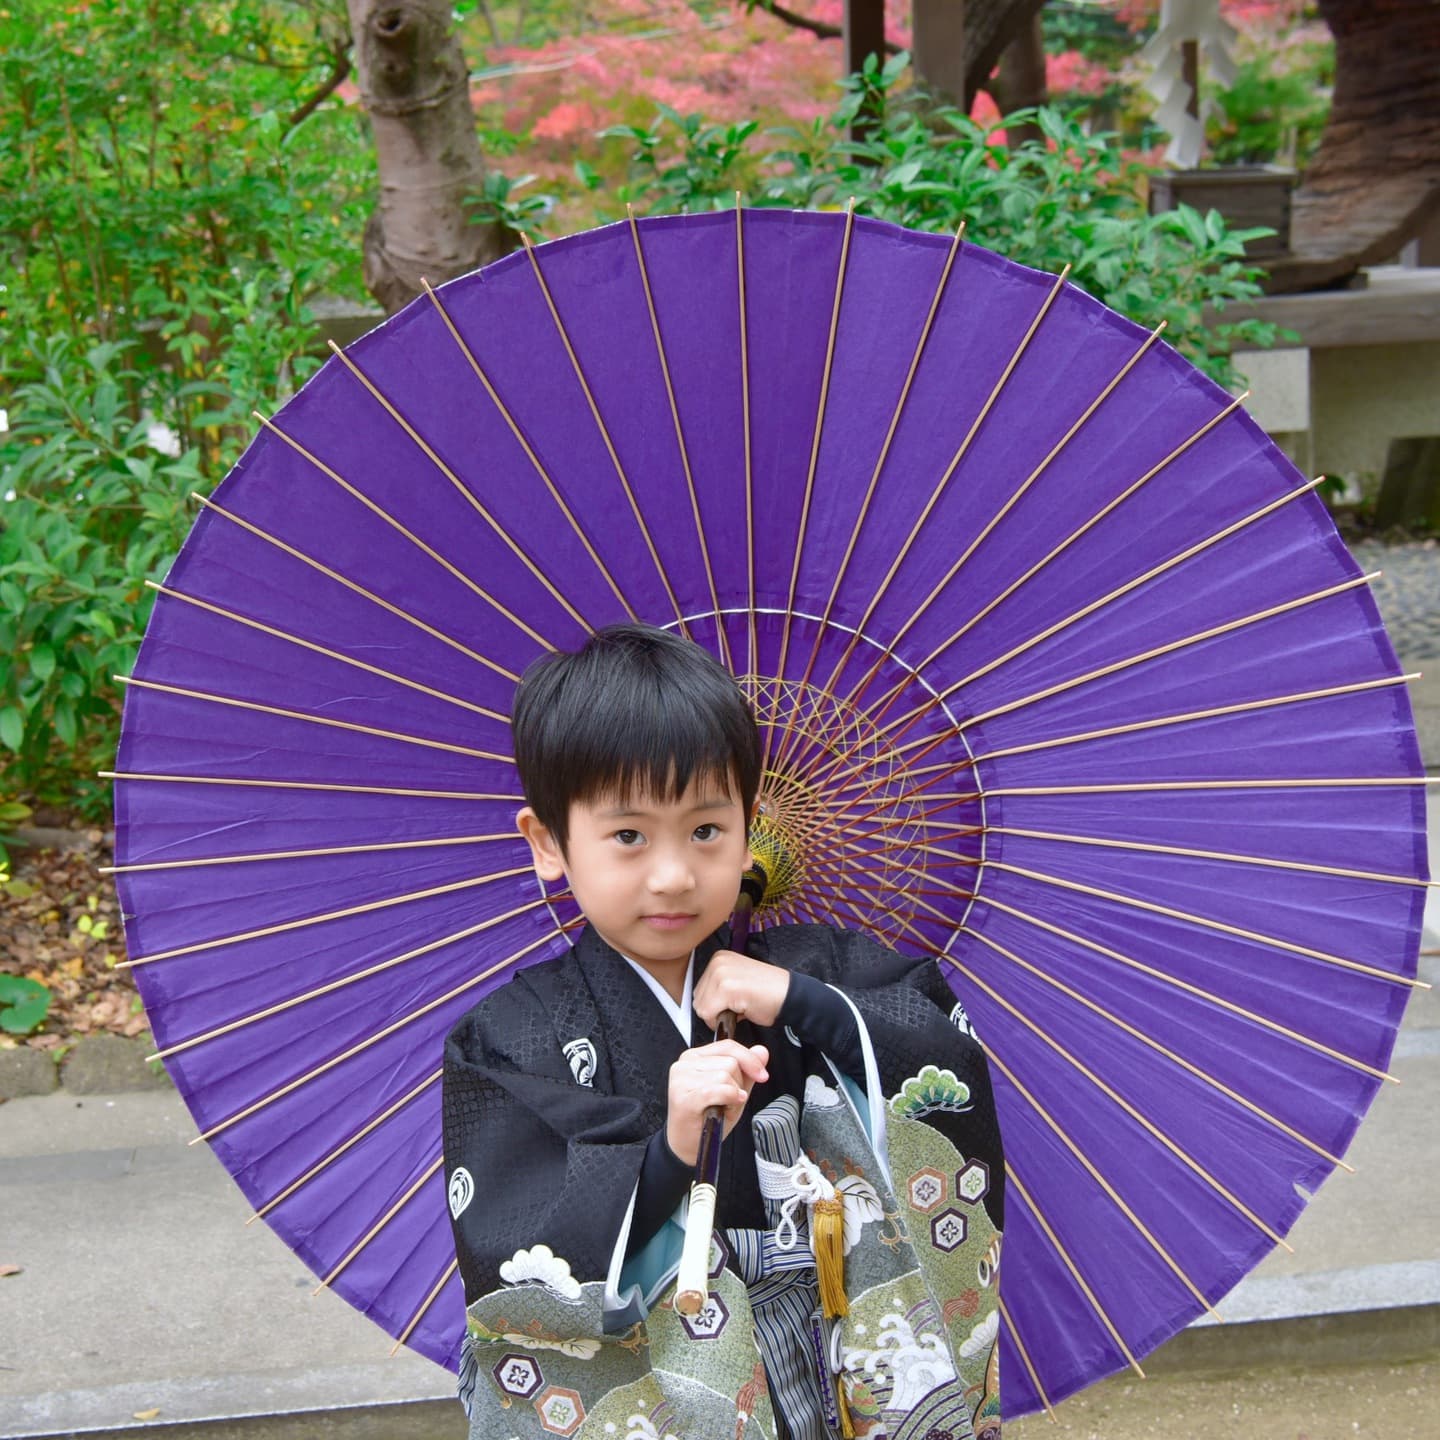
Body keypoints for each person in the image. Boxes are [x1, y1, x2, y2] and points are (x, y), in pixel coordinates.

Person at [444, 623, 1004, 1440]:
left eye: (706, 830)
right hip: (661, 1392)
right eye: (628, 835)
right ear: (548, 843)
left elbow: (942, 1063)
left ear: (747, 825)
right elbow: (517, 1251)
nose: (673, 874)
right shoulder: (510, 1038)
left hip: (831, 1355)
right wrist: (669, 1152)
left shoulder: (820, 971)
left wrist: (802, 1001)